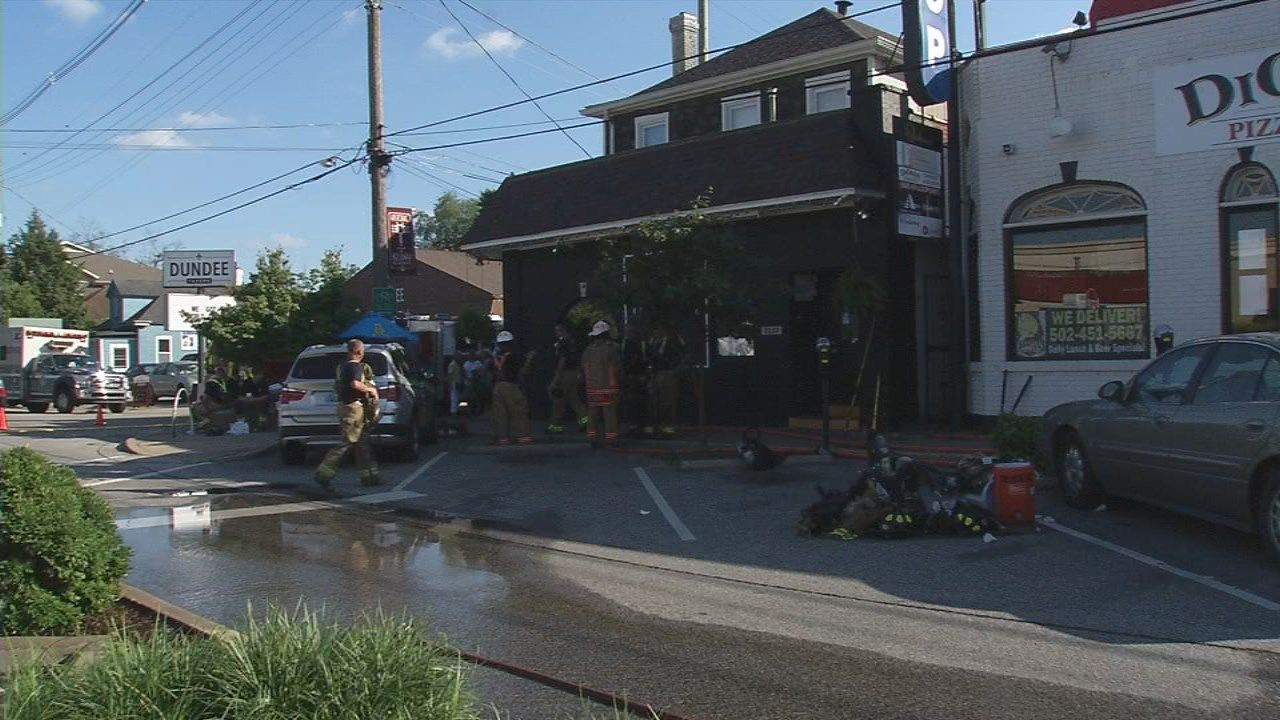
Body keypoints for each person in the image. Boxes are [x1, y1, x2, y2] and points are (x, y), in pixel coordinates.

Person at [314, 339, 382, 489]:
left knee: (363, 444)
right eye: (362, 351)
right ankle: (323, 474)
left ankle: (370, 478)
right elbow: (354, 383)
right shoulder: (354, 366)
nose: (363, 353)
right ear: (358, 352)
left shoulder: (342, 367)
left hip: (351, 408)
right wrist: (371, 390)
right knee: (347, 442)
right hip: (353, 409)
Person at [581, 320, 622, 446]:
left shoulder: (588, 350)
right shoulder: (611, 349)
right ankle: (611, 438)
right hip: (609, 387)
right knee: (609, 412)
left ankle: (591, 437)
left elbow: (583, 366)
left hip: (592, 387)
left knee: (592, 412)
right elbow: (617, 367)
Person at [490, 331, 533, 446]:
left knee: (500, 415)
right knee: (519, 412)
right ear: (511, 343)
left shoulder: (495, 357)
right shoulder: (513, 356)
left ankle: (503, 439)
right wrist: (529, 359)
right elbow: (523, 372)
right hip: (510, 386)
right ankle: (524, 438)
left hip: (497, 388)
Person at [547, 322, 589, 434]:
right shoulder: (573, 343)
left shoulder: (562, 344)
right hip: (574, 374)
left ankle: (555, 427)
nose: (556, 333)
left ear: (563, 331)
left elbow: (562, 360)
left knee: (558, 401)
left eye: (558, 330)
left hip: (564, 375)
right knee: (574, 399)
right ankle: (586, 422)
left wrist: (556, 379)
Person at [645, 323, 684, 438]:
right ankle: (652, 430)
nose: (655, 331)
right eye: (654, 329)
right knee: (652, 402)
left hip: (667, 374)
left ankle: (668, 431)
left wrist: (675, 371)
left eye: (658, 328)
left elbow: (683, 356)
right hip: (653, 374)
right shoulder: (652, 341)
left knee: (667, 402)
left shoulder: (673, 341)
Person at [620, 323, 648, 435]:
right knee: (629, 403)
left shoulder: (642, 344)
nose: (628, 334)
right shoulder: (623, 344)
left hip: (640, 376)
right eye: (626, 332)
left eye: (631, 332)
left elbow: (647, 359)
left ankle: (643, 427)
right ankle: (632, 427)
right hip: (628, 377)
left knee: (641, 402)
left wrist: (645, 374)